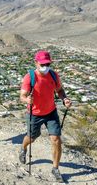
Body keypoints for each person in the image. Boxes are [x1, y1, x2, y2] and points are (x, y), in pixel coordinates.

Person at [19, 50, 72, 182]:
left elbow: (59, 90)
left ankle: (55, 168)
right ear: (35, 62)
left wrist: (64, 99)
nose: (45, 66)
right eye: (42, 64)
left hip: (51, 112)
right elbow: (22, 96)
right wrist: (27, 100)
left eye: (47, 63)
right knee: (31, 137)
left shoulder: (53, 75)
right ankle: (23, 148)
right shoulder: (29, 77)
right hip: (34, 114)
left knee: (56, 139)